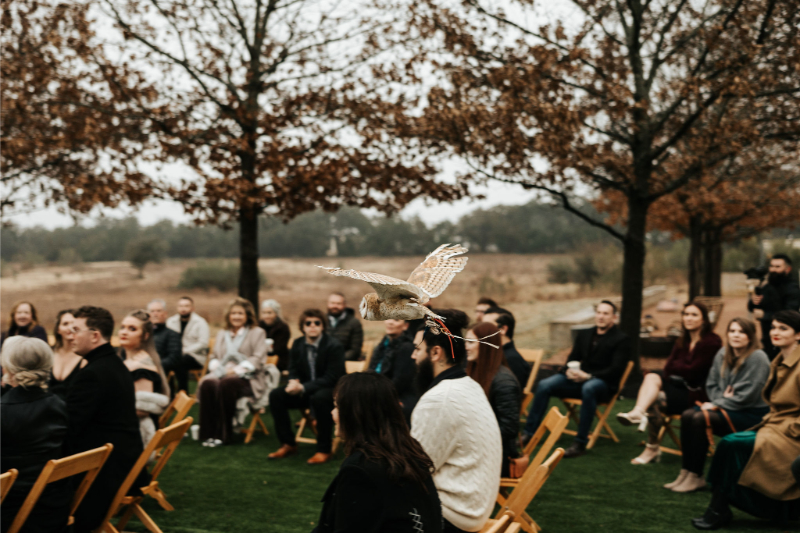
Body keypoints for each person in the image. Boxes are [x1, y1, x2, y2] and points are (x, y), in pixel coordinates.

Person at [693, 310, 800, 529]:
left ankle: (718, 508)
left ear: (798, 334)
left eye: (783, 328)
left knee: (733, 443)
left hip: (792, 433)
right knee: (730, 444)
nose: (775, 332)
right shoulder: (778, 360)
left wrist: (793, 430)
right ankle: (718, 507)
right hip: (774, 426)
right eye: (773, 327)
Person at [312, 372, 442, 533]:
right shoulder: (410, 450)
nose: (332, 413)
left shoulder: (361, 470)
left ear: (355, 414)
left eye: (337, 406)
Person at [410, 309, 502, 533]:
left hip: (455, 515)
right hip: (476, 506)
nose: (413, 356)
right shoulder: (469, 385)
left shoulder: (438, 399)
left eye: (417, 349)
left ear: (435, 352)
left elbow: (415, 470)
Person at [665, 318, 770, 493]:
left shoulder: (758, 357)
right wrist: (720, 400)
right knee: (687, 415)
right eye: (732, 331)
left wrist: (718, 402)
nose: (736, 335)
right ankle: (686, 472)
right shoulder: (723, 353)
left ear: (750, 337)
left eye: (741, 332)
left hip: (751, 414)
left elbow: (748, 396)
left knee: (700, 417)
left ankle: (697, 476)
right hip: (726, 406)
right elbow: (711, 384)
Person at [64, 306, 144, 533]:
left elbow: (69, 426)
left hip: (105, 473)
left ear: (95, 335)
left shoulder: (93, 373)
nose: (70, 335)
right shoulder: (113, 363)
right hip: (124, 460)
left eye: (76, 330)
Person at [617, 302, 722, 465]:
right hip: (678, 387)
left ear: (704, 320)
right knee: (651, 377)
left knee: (655, 400)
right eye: (686, 314)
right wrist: (681, 369)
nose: (689, 318)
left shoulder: (712, 342)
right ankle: (638, 411)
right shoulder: (682, 340)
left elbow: (694, 372)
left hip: (697, 394)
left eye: (694, 315)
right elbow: (667, 368)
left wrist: (678, 368)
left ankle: (651, 448)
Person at [522, 300, 630, 458]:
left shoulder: (621, 339)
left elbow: (616, 370)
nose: (601, 316)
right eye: (598, 312)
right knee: (545, 384)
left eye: (606, 313)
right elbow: (573, 358)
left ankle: (580, 443)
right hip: (578, 380)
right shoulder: (585, 334)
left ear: (614, 317)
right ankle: (529, 433)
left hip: (602, 384)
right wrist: (569, 371)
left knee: (590, 387)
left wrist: (589, 376)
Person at [1, 337, 71, 533]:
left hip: (9, 509)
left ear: (7, 368)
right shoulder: (58, 404)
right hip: (53, 506)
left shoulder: (3, 411)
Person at [268, 309, 345, 464]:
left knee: (320, 398)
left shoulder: (334, 346)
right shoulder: (297, 344)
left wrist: (302, 387)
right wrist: (292, 382)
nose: (312, 326)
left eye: (317, 323)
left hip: (330, 391)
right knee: (276, 395)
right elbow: (293, 368)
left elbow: (332, 377)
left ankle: (324, 449)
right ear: (302, 327)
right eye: (308, 323)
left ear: (323, 326)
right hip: (304, 390)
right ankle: (288, 443)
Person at [198, 297, 267, 447]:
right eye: (233, 313)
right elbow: (215, 356)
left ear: (247, 315)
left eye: (240, 313)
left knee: (226, 383)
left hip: (248, 378)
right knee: (207, 383)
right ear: (228, 315)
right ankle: (208, 434)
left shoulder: (257, 332)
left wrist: (234, 371)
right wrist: (219, 368)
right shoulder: (223, 333)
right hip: (222, 373)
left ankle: (223, 435)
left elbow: (257, 358)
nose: (236, 316)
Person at [465, 322, 521, 477]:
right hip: (479, 448)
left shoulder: (503, 382)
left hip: (496, 456)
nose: (466, 347)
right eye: (465, 342)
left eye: (470, 342)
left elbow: (509, 428)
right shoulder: (476, 372)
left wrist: (472, 439)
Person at [119, 310, 171, 447]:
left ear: (145, 335)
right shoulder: (129, 359)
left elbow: (141, 411)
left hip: (135, 438)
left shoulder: (142, 367)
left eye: (132, 329)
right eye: (122, 327)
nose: (124, 332)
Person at [748, 254, 800, 358]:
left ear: (788, 269)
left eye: (778, 267)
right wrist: (753, 302)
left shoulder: (793, 289)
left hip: (786, 340)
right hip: (767, 338)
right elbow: (752, 307)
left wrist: (765, 315)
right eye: (771, 266)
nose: (773, 270)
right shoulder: (767, 286)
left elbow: (790, 314)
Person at [367, 319, 418, 422]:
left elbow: (400, 382)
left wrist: (377, 394)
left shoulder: (407, 348)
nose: (390, 322)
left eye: (396, 320)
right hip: (378, 389)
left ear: (405, 326)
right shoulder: (381, 346)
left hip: (397, 394)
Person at [165, 296, 210, 393]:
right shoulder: (171, 322)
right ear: (177, 308)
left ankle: (183, 393)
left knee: (179, 362)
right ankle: (170, 393)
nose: (183, 308)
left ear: (192, 308)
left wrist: (184, 351)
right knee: (165, 362)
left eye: (186, 306)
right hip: (176, 355)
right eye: (180, 306)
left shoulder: (200, 322)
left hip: (196, 357)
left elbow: (203, 343)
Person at [482, 307, 531, 389]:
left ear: (502, 329)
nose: (480, 330)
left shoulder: (512, 361)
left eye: (486, 326)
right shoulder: (494, 354)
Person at [48, 309, 87, 400]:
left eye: (73, 324)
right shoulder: (49, 353)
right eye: (65, 324)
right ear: (58, 329)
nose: (70, 327)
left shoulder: (84, 357)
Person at [146, 299, 182, 376]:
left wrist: (154, 365)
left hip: (159, 371)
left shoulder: (172, 334)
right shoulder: (144, 334)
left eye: (158, 311)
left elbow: (173, 358)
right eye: (152, 311)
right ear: (148, 315)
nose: (155, 314)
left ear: (165, 314)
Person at [327, 292, 364, 361]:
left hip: (344, 362)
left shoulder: (354, 323)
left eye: (338, 304)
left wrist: (336, 360)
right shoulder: (321, 321)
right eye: (332, 303)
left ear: (344, 305)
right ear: (328, 304)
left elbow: (355, 350)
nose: (335, 306)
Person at [257, 299, 291, 371]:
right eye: (264, 313)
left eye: (269, 313)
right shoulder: (258, 325)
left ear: (276, 313)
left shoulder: (283, 327)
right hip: (259, 357)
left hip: (279, 360)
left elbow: (279, 348)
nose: (267, 316)